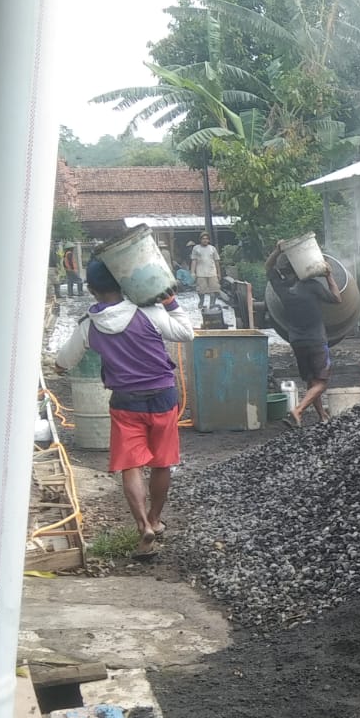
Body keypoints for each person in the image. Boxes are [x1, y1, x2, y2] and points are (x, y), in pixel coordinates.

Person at [54, 259, 194, 558]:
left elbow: (62, 361)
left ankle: (142, 525)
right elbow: (186, 333)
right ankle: (156, 519)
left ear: (91, 290)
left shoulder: (89, 326)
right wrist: (171, 303)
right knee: (161, 463)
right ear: (123, 284)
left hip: (125, 401)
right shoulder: (149, 312)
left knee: (131, 465)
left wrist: (59, 367)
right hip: (163, 397)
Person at [266, 246, 340, 427]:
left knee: (310, 381)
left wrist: (277, 250)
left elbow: (268, 267)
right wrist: (329, 275)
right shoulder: (312, 286)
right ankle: (298, 410)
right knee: (321, 383)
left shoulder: (281, 288)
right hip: (316, 340)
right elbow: (337, 299)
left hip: (297, 341)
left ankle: (322, 416)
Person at [190, 232, 222, 312]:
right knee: (201, 290)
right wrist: (192, 272)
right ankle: (201, 301)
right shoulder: (196, 248)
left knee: (215, 289)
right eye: (203, 239)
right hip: (200, 272)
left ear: (209, 240)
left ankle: (212, 304)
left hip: (212, 272)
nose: (205, 240)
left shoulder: (212, 248)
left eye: (206, 239)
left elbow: (217, 262)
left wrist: (219, 273)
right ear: (200, 240)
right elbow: (194, 261)